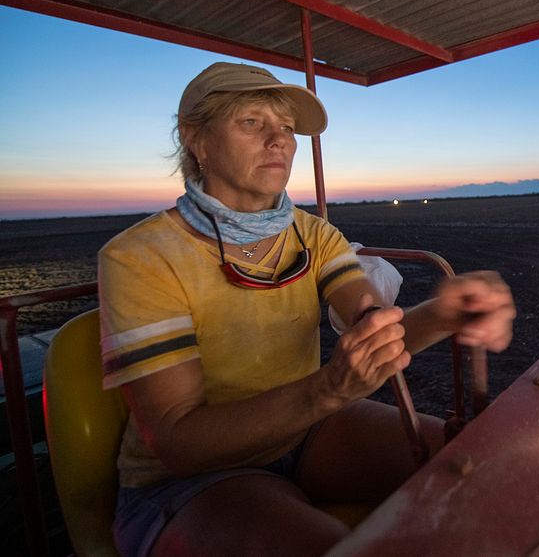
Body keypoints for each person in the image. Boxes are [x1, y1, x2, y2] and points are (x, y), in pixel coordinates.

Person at [98, 62, 516, 557]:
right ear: (197, 140)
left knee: (476, 464)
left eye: (287, 128)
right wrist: (329, 388)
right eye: (252, 123)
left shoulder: (313, 234)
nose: (279, 140)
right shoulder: (140, 257)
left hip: (305, 432)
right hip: (189, 480)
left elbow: (371, 325)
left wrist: (448, 312)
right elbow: (179, 442)